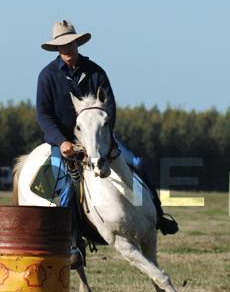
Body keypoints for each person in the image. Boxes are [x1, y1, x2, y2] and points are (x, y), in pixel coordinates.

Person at [36, 20, 177, 264]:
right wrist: (61, 141)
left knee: (137, 163)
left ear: (77, 43)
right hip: (66, 143)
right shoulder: (47, 76)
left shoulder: (96, 72)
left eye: (70, 44)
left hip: (100, 139)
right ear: (56, 48)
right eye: (62, 45)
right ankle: (73, 244)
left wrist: (103, 136)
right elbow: (43, 115)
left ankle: (158, 215)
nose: (67, 49)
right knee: (67, 186)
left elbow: (110, 107)